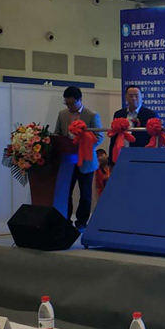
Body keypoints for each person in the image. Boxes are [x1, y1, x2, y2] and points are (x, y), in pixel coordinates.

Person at [54, 86, 103, 232]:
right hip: (68, 160)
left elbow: (99, 137)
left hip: (86, 160)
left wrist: (84, 143)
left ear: (80, 100)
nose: (69, 107)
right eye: (67, 103)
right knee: (65, 192)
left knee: (85, 194)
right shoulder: (62, 114)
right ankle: (65, 219)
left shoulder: (91, 115)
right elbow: (57, 133)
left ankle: (81, 222)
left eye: (72, 103)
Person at [109, 84, 157, 162]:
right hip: (121, 153)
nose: (134, 98)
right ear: (126, 97)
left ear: (141, 97)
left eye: (136, 96)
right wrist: (110, 160)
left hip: (141, 155)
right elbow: (113, 138)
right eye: (131, 96)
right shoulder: (119, 114)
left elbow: (153, 139)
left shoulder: (150, 114)